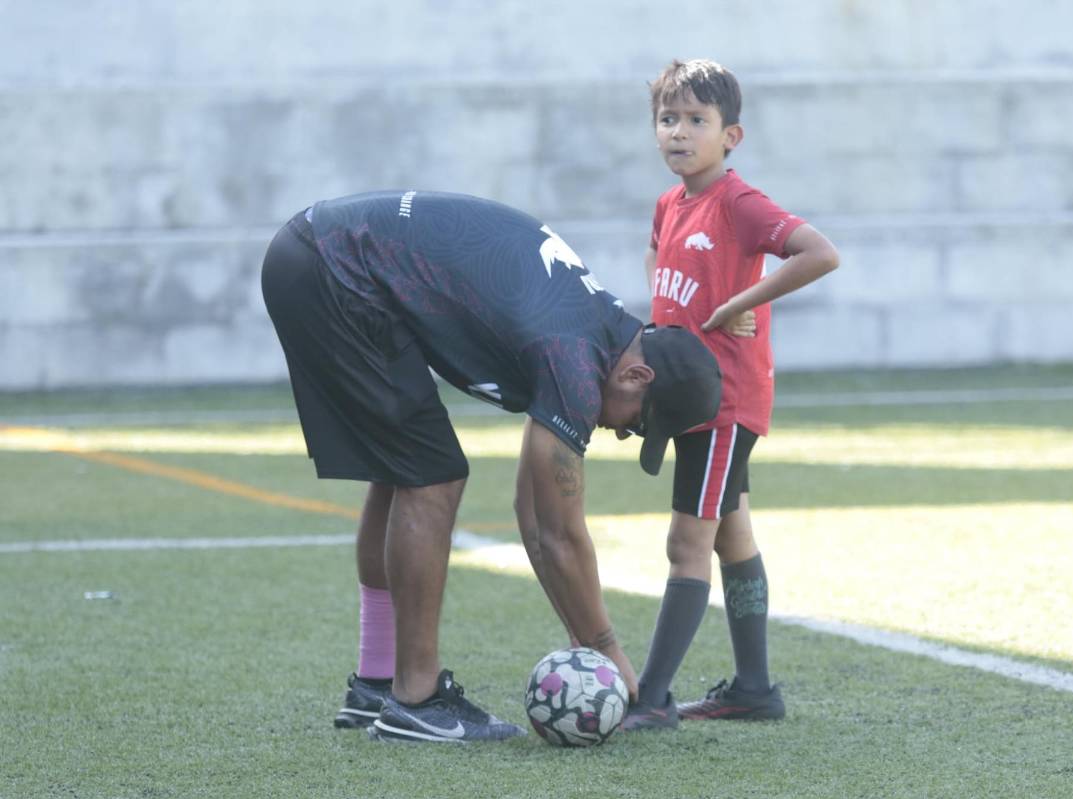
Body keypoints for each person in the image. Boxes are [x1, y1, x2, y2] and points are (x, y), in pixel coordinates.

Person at [259, 189, 721, 743]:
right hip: (333, 268)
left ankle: (377, 686)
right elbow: (560, 536)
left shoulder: (590, 334)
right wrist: (603, 648)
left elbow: (532, 513)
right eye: (638, 424)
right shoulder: (573, 361)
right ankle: (416, 700)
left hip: (320, 256)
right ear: (636, 379)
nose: (621, 431)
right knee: (433, 475)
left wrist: (581, 632)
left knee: (408, 470)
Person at [621, 59, 840, 731]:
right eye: (668, 119)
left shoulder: (738, 202)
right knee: (730, 536)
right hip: (686, 399)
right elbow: (668, 278)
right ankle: (753, 689)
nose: (679, 133)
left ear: (731, 136)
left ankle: (652, 700)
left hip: (723, 403)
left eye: (696, 120)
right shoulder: (669, 204)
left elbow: (818, 253)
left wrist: (741, 302)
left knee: (687, 543)